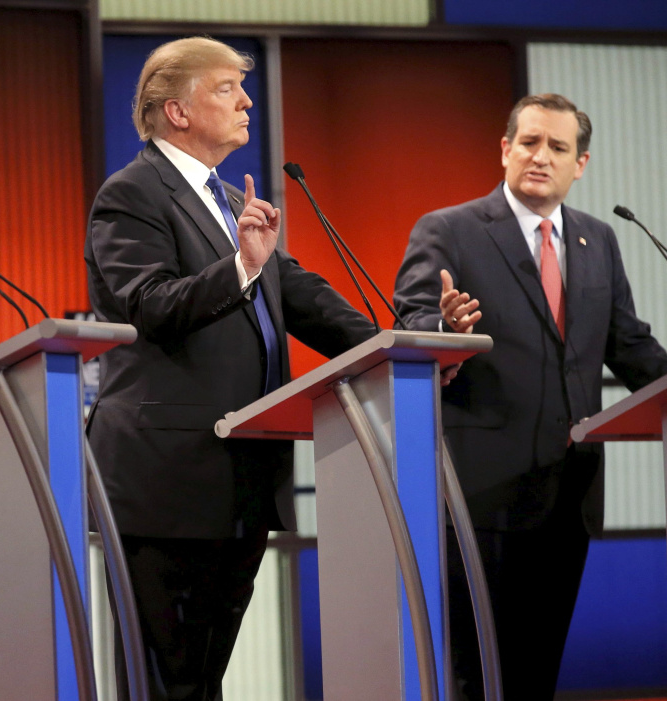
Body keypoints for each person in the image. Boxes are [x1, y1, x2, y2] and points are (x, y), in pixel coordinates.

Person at [85, 36, 378, 701]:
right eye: (226, 88)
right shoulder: (131, 194)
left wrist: (402, 348)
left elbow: (301, 296)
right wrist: (243, 265)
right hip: (166, 482)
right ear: (176, 110)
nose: (247, 100)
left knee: (204, 679)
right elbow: (148, 304)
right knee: (166, 682)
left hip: (240, 480)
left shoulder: (222, 198)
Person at [394, 93, 667, 701]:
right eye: (529, 142)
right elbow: (411, 324)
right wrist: (447, 332)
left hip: (569, 493)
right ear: (505, 150)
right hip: (482, 494)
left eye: (558, 147)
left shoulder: (599, 239)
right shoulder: (450, 230)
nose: (541, 157)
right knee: (479, 673)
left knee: (539, 672)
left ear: (581, 164)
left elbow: (633, 349)